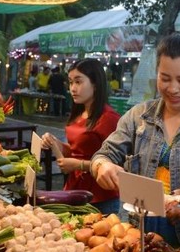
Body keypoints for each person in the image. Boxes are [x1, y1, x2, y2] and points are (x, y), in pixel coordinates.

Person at [90, 32, 180, 246]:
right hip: (137, 232)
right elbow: (104, 155)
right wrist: (101, 166)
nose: (173, 89)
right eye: (165, 78)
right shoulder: (138, 117)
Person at [41, 59, 121, 214]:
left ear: (95, 84)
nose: (73, 89)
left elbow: (117, 164)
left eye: (78, 82)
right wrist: (55, 142)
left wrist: (78, 165)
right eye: (70, 83)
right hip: (72, 191)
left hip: (99, 197)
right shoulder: (79, 113)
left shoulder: (109, 118)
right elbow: (76, 150)